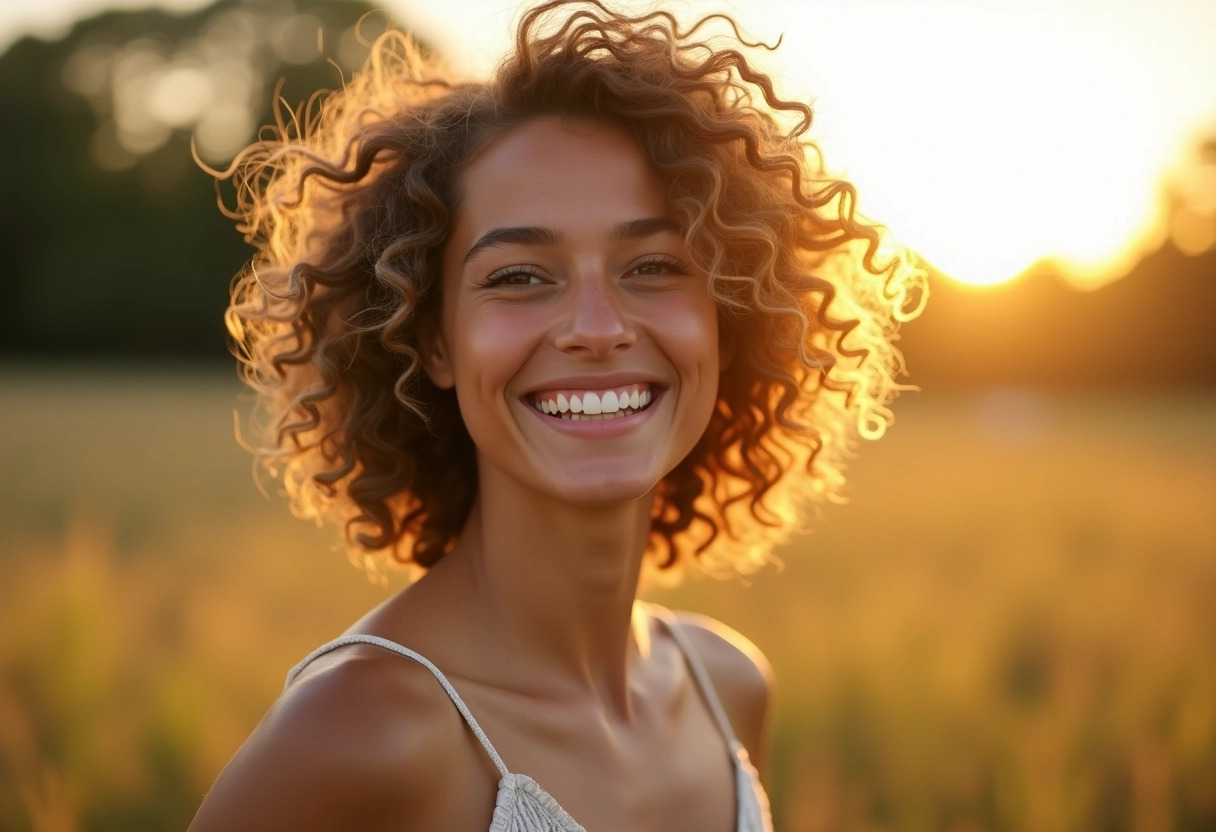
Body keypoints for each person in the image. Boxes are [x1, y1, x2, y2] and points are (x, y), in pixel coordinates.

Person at [189, 1, 922, 829]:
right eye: (520, 277)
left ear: (731, 317)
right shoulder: (358, 731)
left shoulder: (730, 686)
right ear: (431, 341)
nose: (599, 328)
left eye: (653, 264)